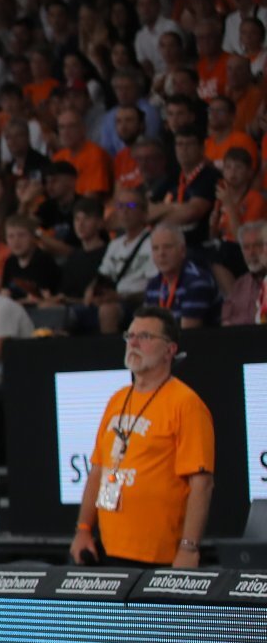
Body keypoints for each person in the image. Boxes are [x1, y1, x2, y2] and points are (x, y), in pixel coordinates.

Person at [68, 308, 214, 568]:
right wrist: (83, 529)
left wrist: (189, 548)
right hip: (109, 551)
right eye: (130, 335)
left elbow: (201, 483)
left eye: (145, 336)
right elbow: (98, 470)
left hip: (160, 557)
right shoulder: (117, 399)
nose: (133, 343)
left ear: (170, 350)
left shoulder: (186, 404)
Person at [141, 223, 219, 328]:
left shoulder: (196, 281)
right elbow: (147, 327)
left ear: (182, 251)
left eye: (167, 247)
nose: (161, 254)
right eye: (155, 248)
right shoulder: (153, 285)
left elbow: (188, 333)